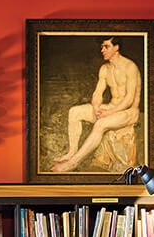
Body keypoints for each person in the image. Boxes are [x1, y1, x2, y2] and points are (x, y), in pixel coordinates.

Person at [51, 36, 141, 173]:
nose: (102, 50)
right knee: (74, 112)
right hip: (111, 108)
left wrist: (108, 113)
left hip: (129, 112)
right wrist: (96, 107)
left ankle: (72, 163)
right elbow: (98, 93)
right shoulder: (105, 69)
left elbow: (129, 99)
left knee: (100, 124)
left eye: (106, 46)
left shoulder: (130, 67)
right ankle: (71, 152)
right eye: (102, 47)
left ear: (116, 48)